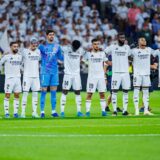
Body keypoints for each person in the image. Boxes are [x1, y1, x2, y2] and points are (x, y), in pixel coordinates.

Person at [105, 33, 131, 116]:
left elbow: (130, 57)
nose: (123, 39)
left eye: (123, 37)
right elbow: (103, 53)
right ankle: (115, 111)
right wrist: (107, 61)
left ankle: (125, 111)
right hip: (115, 73)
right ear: (117, 38)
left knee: (126, 92)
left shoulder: (127, 47)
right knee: (114, 92)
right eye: (121, 37)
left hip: (125, 73)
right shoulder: (113, 47)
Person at [39, 29, 63, 118]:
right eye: (50, 34)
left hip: (54, 72)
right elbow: (35, 54)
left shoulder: (57, 46)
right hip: (45, 72)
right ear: (47, 36)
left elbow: (61, 58)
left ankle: (53, 111)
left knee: (54, 92)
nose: (51, 36)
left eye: (53, 34)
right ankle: (42, 111)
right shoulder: (42, 46)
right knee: (43, 91)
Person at [83, 38, 108, 117]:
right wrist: (87, 63)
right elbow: (83, 60)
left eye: (98, 44)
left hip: (100, 76)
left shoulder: (102, 53)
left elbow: (106, 63)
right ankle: (87, 111)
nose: (97, 45)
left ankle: (103, 111)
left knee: (102, 94)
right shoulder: (88, 54)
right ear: (92, 45)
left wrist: (104, 75)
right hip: (92, 77)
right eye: (95, 44)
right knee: (89, 94)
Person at [60, 40, 84, 117]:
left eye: (77, 48)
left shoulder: (80, 50)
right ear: (72, 46)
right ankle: (62, 112)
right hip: (68, 74)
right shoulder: (66, 49)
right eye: (74, 48)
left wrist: (80, 60)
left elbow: (83, 57)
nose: (76, 49)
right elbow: (58, 48)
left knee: (78, 92)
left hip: (76, 74)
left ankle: (79, 111)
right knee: (65, 91)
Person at [131, 37, 154, 116]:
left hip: (146, 74)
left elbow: (156, 53)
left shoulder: (149, 49)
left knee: (146, 93)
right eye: (142, 40)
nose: (144, 41)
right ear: (138, 42)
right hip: (137, 74)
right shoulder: (134, 51)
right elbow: (127, 55)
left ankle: (146, 110)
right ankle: (137, 110)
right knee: (136, 91)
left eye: (144, 40)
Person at [0, 41, 22, 118]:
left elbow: (21, 65)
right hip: (9, 79)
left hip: (18, 79)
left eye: (17, 46)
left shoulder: (20, 56)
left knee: (17, 95)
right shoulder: (6, 56)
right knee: (7, 95)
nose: (16, 48)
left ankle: (15, 113)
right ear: (11, 47)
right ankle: (6, 113)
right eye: (14, 46)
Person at [21, 37, 41, 118]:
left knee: (35, 94)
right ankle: (22, 113)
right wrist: (23, 70)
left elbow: (38, 62)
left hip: (36, 76)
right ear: (30, 43)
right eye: (33, 44)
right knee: (25, 93)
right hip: (27, 76)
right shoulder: (25, 51)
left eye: (36, 44)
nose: (34, 45)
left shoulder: (38, 52)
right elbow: (20, 62)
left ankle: (34, 112)